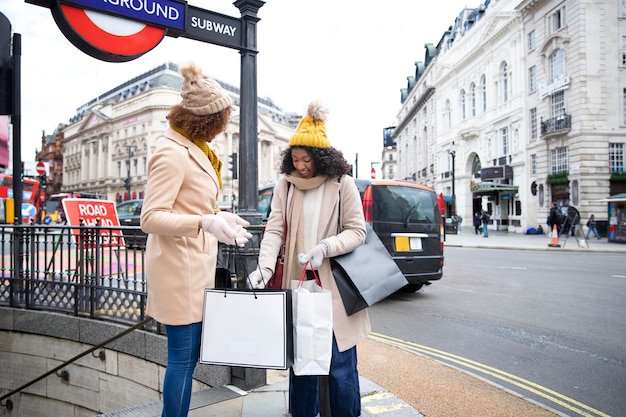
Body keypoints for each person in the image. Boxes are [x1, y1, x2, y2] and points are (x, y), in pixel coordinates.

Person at [140, 63, 252, 417]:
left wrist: (217, 216)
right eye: (219, 123)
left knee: (187, 359)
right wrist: (205, 222)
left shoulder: (196, 149)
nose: (220, 132)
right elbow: (150, 218)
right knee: (182, 359)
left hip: (193, 264)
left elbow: (191, 203)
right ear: (205, 121)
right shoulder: (172, 153)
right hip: (178, 269)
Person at [249, 101, 369, 417]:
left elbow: (357, 232)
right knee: (302, 367)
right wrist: (263, 266)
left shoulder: (342, 183)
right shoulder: (285, 185)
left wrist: (325, 248)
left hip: (335, 291)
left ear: (321, 157)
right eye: (296, 159)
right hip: (298, 287)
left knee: (340, 368)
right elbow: (274, 230)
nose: (301, 166)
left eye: (307, 159)